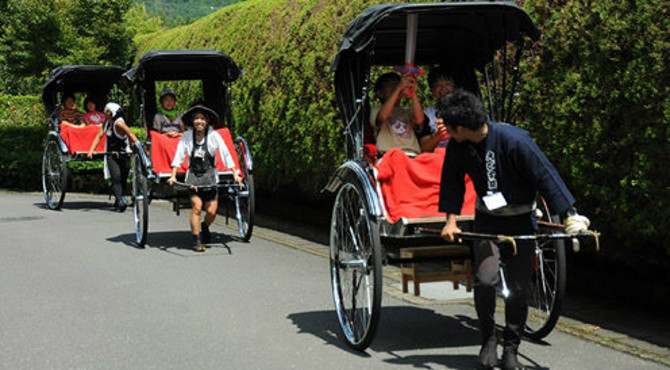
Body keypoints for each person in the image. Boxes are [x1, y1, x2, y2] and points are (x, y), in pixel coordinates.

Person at [437, 90, 590, 370]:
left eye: (448, 125)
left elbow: (546, 175)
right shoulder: (458, 147)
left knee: (519, 289)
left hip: (521, 221)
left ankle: (511, 349)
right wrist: (451, 221)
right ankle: (488, 339)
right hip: (487, 221)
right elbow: (451, 182)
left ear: (460, 127)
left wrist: (570, 215)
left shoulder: (514, 140)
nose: (447, 131)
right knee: (485, 279)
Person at [168, 106, 242, 252]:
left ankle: (205, 226)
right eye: (196, 119)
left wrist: (235, 173)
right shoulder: (188, 136)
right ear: (192, 121)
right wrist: (173, 174)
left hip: (210, 177)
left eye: (202, 119)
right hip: (193, 178)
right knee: (197, 207)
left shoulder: (214, 136)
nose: (199, 121)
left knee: (211, 211)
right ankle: (196, 241)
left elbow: (225, 153)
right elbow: (179, 155)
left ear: (207, 121)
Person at [87, 103, 143, 212]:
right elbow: (99, 135)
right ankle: (120, 201)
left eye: (106, 110)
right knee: (116, 176)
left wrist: (140, 147)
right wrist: (91, 150)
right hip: (111, 154)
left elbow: (131, 134)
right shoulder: (107, 122)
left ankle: (119, 198)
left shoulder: (119, 124)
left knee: (123, 177)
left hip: (124, 153)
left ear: (112, 113)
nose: (104, 112)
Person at [370, 72, 424, 156]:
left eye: (397, 84)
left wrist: (412, 91)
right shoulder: (376, 109)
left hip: (412, 154)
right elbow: (382, 117)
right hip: (388, 155)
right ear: (380, 93)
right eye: (390, 85)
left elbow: (419, 120)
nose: (395, 86)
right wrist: (398, 88)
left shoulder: (408, 111)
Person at [419, 66, 455, 152]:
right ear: (432, 90)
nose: (443, 89)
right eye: (438, 85)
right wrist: (438, 136)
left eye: (448, 84)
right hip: (437, 159)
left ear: (454, 87)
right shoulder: (427, 115)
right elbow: (424, 148)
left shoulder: (466, 110)